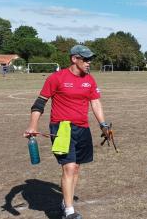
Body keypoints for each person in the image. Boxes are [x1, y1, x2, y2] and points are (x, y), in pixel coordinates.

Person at [24, 45, 110, 219]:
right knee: (69, 167)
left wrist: (103, 124)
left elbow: (95, 103)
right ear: (74, 59)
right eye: (85, 59)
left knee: (76, 168)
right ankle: (69, 211)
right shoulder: (56, 78)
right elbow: (39, 103)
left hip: (83, 128)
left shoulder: (90, 80)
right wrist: (33, 125)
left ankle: (66, 200)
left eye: (90, 59)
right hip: (61, 128)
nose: (89, 62)